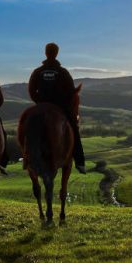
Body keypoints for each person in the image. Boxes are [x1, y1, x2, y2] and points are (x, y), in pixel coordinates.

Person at [28, 43, 86, 174]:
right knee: (74, 130)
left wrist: (40, 102)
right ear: (57, 53)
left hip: (41, 107)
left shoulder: (37, 72)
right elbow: (71, 92)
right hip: (60, 108)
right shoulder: (63, 72)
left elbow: (31, 90)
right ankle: (80, 162)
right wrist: (63, 104)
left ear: (45, 53)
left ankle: (27, 159)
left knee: (27, 129)